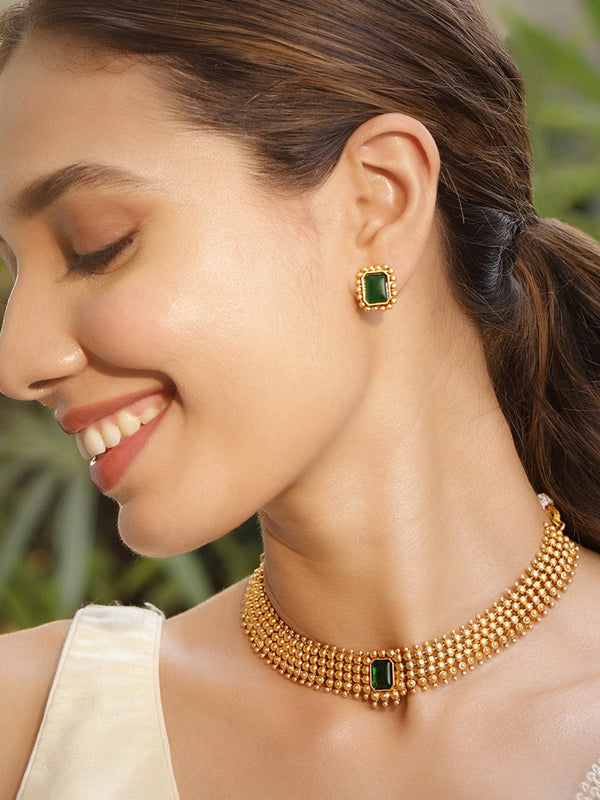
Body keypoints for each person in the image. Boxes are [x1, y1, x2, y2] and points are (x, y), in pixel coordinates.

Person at [0, 0, 598, 797]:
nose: (18, 361)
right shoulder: (28, 729)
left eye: (97, 246)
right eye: (12, 270)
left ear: (378, 202)